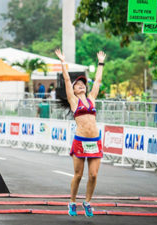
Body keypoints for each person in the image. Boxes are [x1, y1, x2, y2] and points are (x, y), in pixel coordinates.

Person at [55, 49, 106, 217]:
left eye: (83, 83)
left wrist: (100, 62)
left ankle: (88, 202)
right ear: (74, 90)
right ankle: (72, 202)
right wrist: (63, 61)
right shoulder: (74, 101)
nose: (81, 85)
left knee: (93, 175)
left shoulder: (91, 97)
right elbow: (67, 79)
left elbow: (98, 79)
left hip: (95, 141)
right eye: (78, 85)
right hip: (80, 141)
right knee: (78, 175)